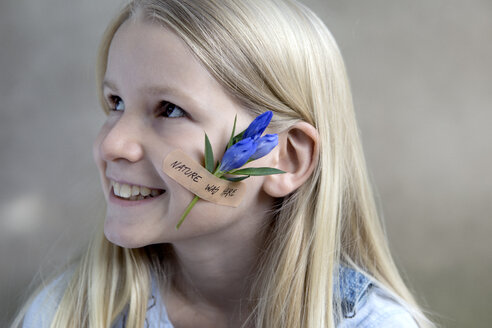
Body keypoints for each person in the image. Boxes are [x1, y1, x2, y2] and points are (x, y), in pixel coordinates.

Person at [13, 0, 434, 327]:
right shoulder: (63, 314)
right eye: (115, 103)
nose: (113, 144)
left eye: (170, 110)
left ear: (286, 157)